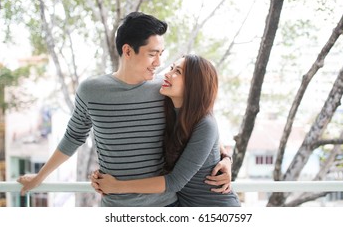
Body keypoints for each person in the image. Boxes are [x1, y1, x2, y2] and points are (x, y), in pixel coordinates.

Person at [17, 12, 232, 207]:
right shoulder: (91, 91)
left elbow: (199, 123)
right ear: (127, 50)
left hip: (165, 206)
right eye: (152, 54)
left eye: (161, 53)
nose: (159, 63)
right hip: (115, 208)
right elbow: (73, 137)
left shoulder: (164, 90)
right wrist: (39, 178)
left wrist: (225, 159)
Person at [91, 54, 241, 207]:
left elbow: (174, 182)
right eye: (171, 68)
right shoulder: (169, 111)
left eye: (178, 72)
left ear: (194, 84)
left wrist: (117, 186)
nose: (168, 74)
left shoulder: (205, 123)